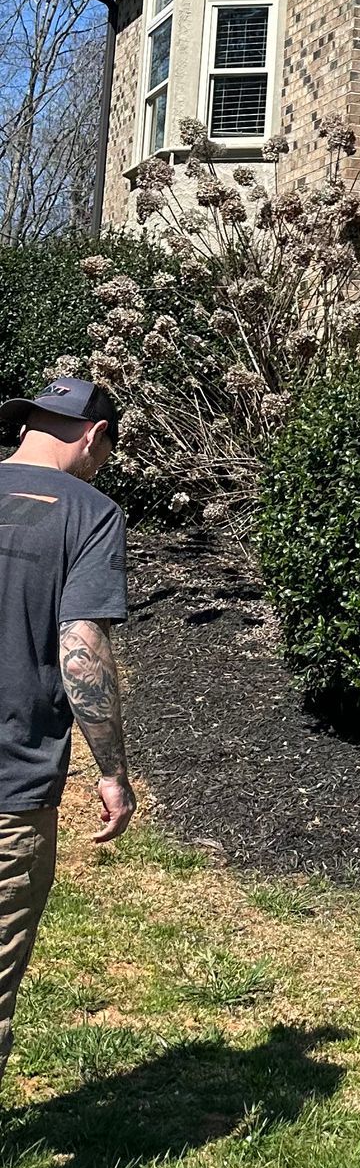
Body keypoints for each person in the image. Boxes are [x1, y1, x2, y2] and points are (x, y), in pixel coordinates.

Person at [0, 375, 134, 1086]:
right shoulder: (90, 513)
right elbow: (79, 644)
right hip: (10, 790)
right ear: (95, 437)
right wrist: (111, 772)